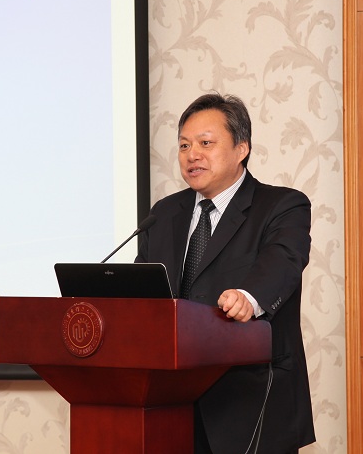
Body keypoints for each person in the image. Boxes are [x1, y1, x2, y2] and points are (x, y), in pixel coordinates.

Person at [135, 92, 315, 454]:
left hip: (251, 404)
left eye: (205, 143)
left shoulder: (282, 205)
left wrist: (248, 297)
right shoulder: (164, 213)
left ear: (241, 149)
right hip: (172, 408)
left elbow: (283, 261)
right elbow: (145, 288)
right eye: (184, 145)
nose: (192, 155)